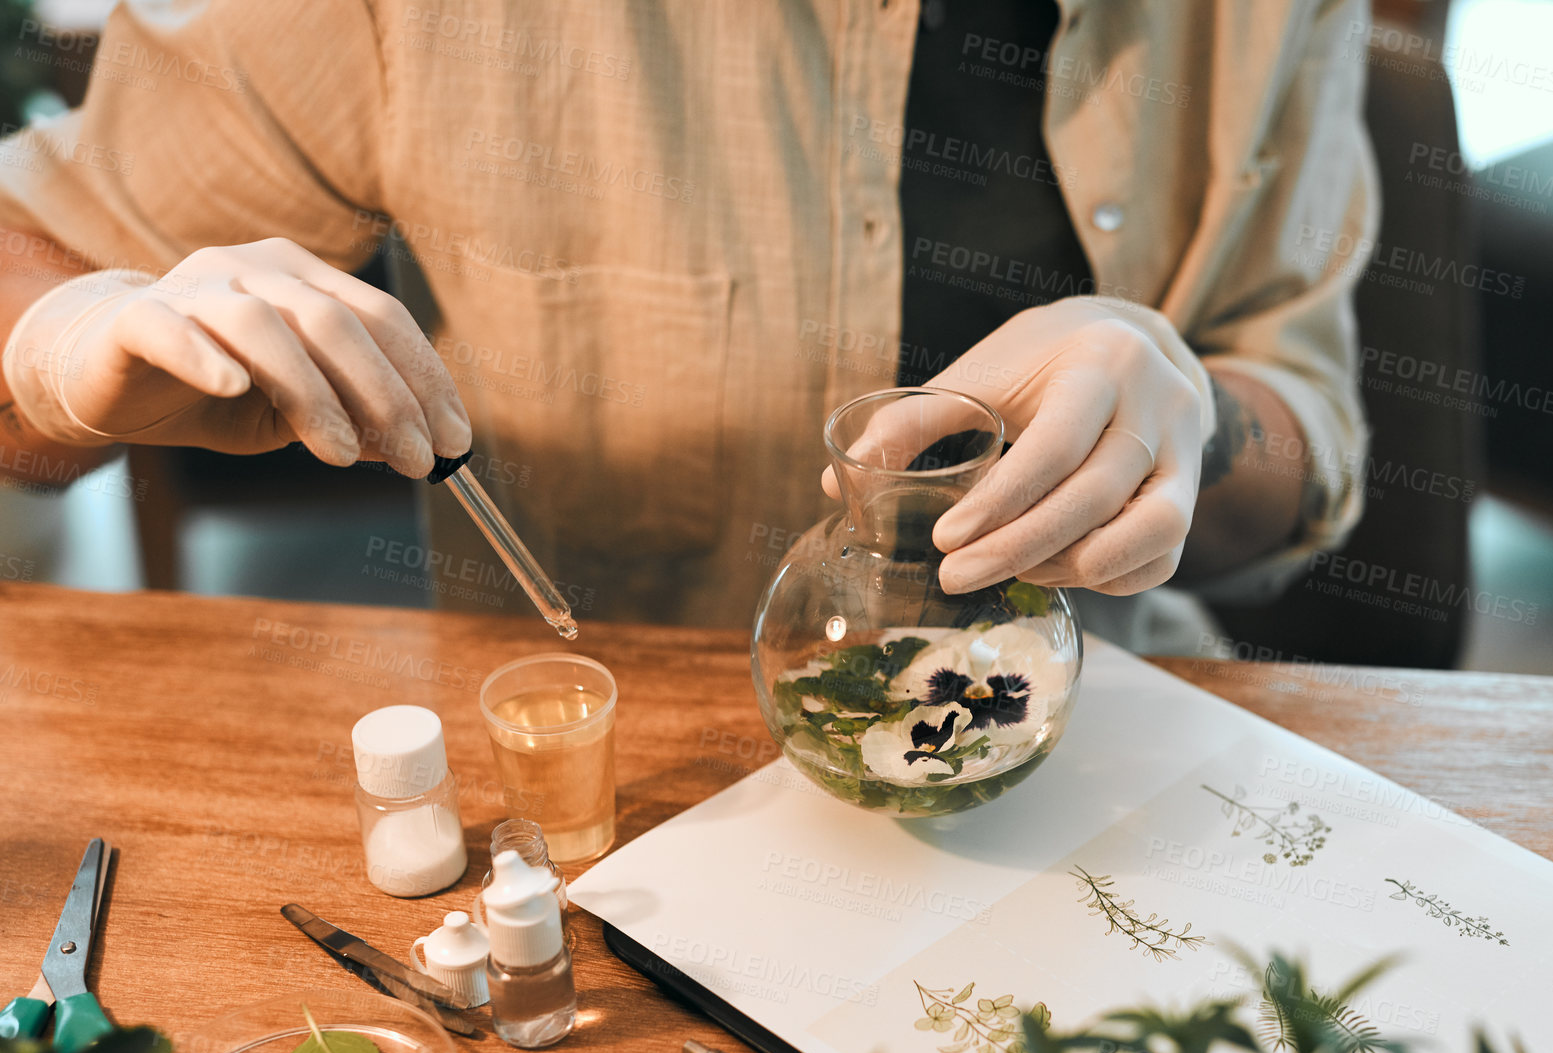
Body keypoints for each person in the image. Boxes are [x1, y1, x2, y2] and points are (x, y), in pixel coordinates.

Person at [0, 0, 1375, 645]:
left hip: (1071, 742)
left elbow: (1299, 437)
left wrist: (1183, 420)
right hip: (623, 792)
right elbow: (28, 287)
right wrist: (64, 340)